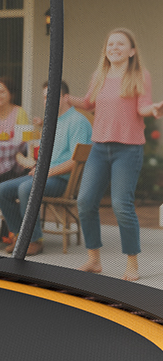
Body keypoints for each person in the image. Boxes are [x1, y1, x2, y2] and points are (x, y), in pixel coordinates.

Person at [68, 29, 163, 281]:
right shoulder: (99, 75)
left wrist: (153, 109)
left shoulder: (140, 76)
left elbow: (142, 106)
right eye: (111, 43)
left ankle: (132, 263)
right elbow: (89, 103)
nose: (114, 47)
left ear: (132, 51)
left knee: (122, 205)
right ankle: (94, 259)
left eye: (121, 43)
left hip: (128, 149)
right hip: (99, 148)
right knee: (85, 201)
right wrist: (65, 98)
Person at [0, 81, 91, 255]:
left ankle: (35, 240)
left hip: (62, 180)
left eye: (51, 97)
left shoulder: (77, 122)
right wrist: (35, 165)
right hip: (44, 176)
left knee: (26, 188)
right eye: (45, 97)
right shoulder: (53, 122)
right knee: (2, 189)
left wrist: (47, 172)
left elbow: (76, 161)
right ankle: (19, 235)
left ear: (66, 98)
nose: (46, 101)